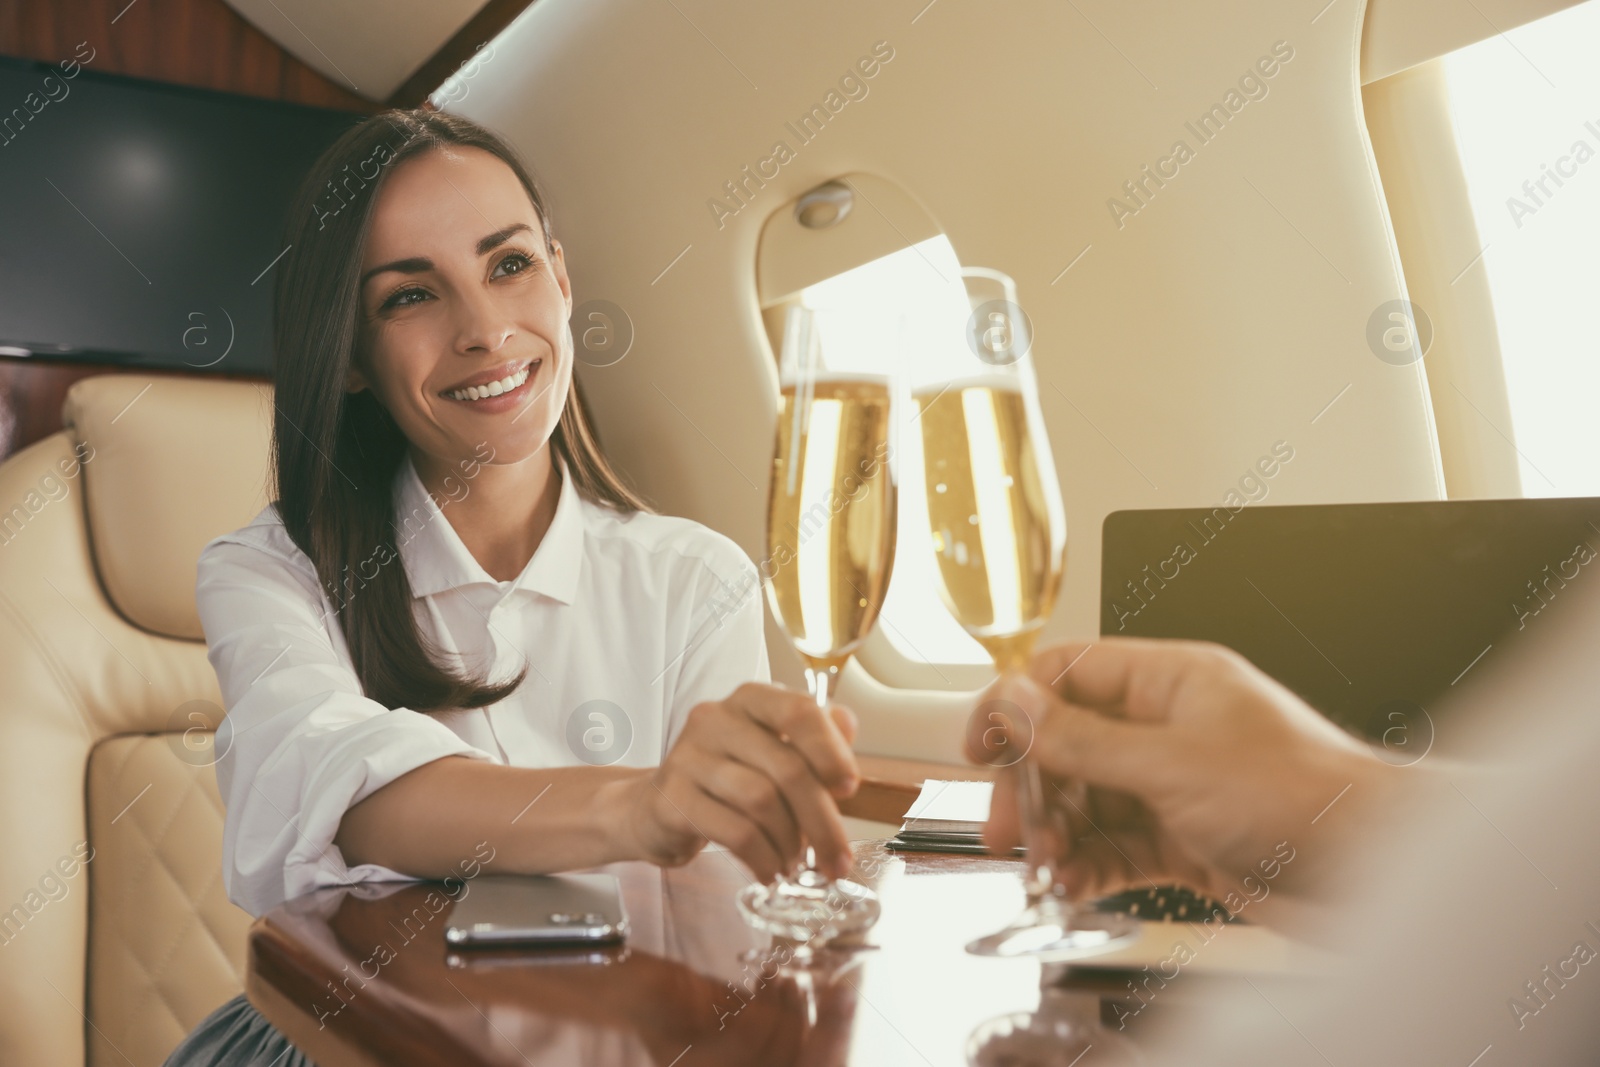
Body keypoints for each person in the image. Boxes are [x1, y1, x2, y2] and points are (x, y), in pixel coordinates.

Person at [162, 108, 860, 1066]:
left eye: (509, 264)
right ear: (354, 357)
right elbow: (349, 790)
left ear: (563, 281)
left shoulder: (697, 581)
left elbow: (714, 912)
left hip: (609, 1036)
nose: (485, 331)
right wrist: (644, 803)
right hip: (337, 1042)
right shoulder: (267, 572)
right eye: (410, 297)